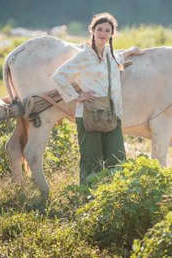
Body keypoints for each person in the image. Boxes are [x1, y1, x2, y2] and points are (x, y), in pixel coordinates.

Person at [52, 12, 142, 184]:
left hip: (112, 113)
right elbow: (59, 76)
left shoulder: (112, 54)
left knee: (117, 159)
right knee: (91, 161)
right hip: (89, 114)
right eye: (99, 29)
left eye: (107, 30)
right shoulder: (84, 56)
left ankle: (113, 197)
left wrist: (132, 50)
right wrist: (77, 96)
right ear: (92, 31)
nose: (103, 33)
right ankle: (87, 197)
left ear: (111, 34)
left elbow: (121, 57)